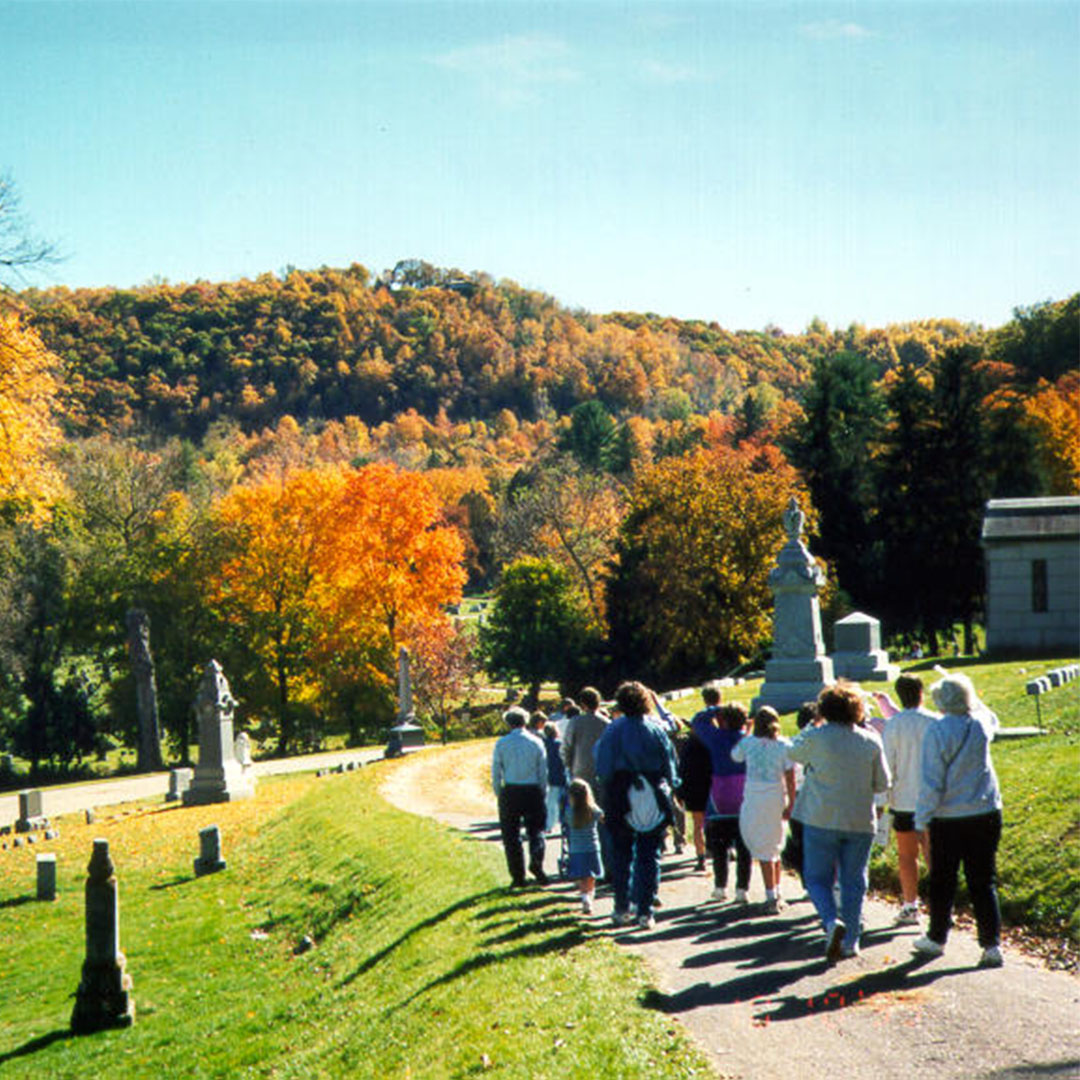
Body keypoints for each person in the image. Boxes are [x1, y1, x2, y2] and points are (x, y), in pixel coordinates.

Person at [788, 683, 891, 961]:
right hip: (859, 818)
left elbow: (793, 753)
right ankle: (852, 940)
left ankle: (831, 921)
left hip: (820, 817)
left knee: (817, 878)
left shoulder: (816, 737)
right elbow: (883, 782)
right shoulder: (870, 740)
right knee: (854, 880)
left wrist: (813, 726)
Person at [912, 671, 1004, 968]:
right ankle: (991, 945)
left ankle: (937, 938)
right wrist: (972, 697)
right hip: (986, 810)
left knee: (943, 880)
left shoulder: (937, 731)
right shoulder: (981, 724)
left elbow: (931, 781)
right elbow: (992, 716)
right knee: (983, 880)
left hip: (949, 816)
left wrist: (921, 819)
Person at [594, 680, 679, 930]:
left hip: (621, 792)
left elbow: (603, 768)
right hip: (652, 790)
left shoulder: (612, 730)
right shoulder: (655, 729)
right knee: (649, 855)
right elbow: (669, 764)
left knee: (621, 854)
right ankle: (645, 910)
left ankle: (621, 907)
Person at [877, 674, 939, 925]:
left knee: (907, 856)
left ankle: (911, 905)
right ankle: (940, 906)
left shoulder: (893, 725)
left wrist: (882, 800)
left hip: (903, 799)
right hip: (933, 798)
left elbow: (887, 765)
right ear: (921, 692)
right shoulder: (936, 721)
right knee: (934, 855)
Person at [731, 706, 796, 913]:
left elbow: (735, 756)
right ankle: (775, 891)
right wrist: (792, 802)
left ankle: (771, 895)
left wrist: (747, 731)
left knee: (762, 844)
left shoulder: (748, 743)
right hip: (776, 795)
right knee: (775, 843)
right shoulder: (784, 745)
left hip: (754, 796)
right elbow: (790, 777)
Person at [491, 705, 549, 888]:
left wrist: (499, 793)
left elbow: (496, 772)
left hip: (511, 790)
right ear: (525, 721)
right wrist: (542, 791)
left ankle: (518, 876)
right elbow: (543, 772)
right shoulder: (536, 742)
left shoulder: (501, 743)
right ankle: (537, 863)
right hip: (532, 789)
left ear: (508, 723)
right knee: (536, 831)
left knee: (511, 836)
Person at [699, 703, 752, 903]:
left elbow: (698, 721)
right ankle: (742, 889)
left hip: (720, 795)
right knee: (744, 846)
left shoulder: (715, 738)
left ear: (725, 720)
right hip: (744, 795)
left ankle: (720, 886)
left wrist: (714, 709)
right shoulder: (748, 740)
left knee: (720, 846)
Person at [680, 686, 720, 871]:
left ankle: (701, 857)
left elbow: (683, 769)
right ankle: (719, 850)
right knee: (715, 821)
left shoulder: (689, 746)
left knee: (698, 824)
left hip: (695, 785)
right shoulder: (716, 739)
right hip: (713, 783)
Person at [565, 778, 605, 914]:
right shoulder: (592, 810)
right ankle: (590, 895)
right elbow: (603, 818)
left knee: (581, 876)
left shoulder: (569, 812)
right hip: (592, 847)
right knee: (591, 876)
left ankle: (584, 897)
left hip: (576, 849)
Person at [542, 721, 568, 834]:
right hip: (559, 775)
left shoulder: (542, 743)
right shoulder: (559, 744)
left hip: (547, 775)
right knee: (560, 803)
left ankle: (548, 825)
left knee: (550, 803)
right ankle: (562, 824)